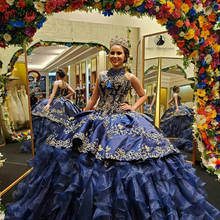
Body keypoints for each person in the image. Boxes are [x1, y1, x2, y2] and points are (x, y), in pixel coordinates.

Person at [6, 38, 219, 220]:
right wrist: (82, 114)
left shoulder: (129, 77)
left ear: (125, 56)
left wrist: (133, 107)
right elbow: (93, 99)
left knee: (135, 160)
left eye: (119, 53)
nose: (115, 56)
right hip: (99, 118)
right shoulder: (101, 76)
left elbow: (143, 94)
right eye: (112, 53)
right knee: (81, 159)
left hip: (124, 119)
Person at [20, 69, 81, 153]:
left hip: (56, 101)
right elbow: (73, 92)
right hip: (64, 102)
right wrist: (65, 97)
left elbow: (53, 94)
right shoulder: (65, 83)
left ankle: (49, 141)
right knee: (64, 121)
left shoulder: (56, 82)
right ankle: (63, 140)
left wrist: (48, 103)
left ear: (57, 75)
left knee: (48, 120)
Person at [160, 86, 194, 152]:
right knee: (182, 120)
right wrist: (177, 108)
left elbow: (169, 102)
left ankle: (177, 135)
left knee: (179, 120)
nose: (179, 89)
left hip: (179, 107)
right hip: (178, 107)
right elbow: (175, 101)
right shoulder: (175, 94)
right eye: (178, 88)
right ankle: (179, 135)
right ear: (176, 89)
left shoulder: (174, 94)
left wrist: (173, 106)